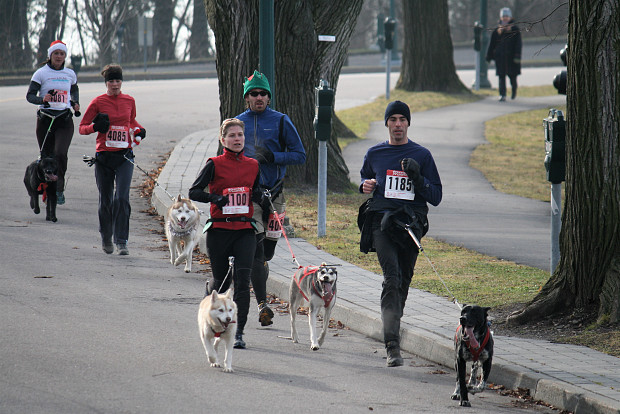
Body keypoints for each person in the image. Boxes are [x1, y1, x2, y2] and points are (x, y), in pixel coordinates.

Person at [358, 101, 442, 367]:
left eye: (401, 119)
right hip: (382, 222)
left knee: (404, 278)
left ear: (408, 123)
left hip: (411, 223)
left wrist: (418, 178)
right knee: (391, 276)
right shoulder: (375, 153)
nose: (397, 124)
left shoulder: (422, 154)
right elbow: (365, 180)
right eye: (392, 119)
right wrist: (365, 185)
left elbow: (436, 196)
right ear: (386, 124)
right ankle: (391, 344)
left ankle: (393, 320)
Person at [235, 70, 306, 327]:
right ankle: (263, 305)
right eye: (253, 93)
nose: (259, 97)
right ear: (247, 98)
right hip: (249, 196)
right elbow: (225, 157)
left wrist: (273, 157)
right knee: (255, 248)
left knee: (267, 252)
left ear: (269, 96)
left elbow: (300, 155)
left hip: (275, 194)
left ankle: (250, 271)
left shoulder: (280, 120)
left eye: (263, 93)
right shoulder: (237, 123)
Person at [189, 118, 263, 349]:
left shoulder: (253, 164)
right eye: (232, 135)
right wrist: (215, 198)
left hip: (244, 230)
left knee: (242, 283)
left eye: (240, 135)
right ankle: (210, 306)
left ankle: (237, 332)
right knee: (221, 282)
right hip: (220, 229)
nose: (237, 139)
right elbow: (194, 191)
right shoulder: (214, 163)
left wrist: (260, 195)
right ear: (223, 140)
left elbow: (256, 189)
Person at [79, 64, 146, 255]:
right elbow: (82, 127)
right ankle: (106, 236)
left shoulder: (129, 100)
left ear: (121, 81)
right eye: (111, 81)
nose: (115, 85)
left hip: (124, 156)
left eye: (117, 81)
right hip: (104, 157)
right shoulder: (98, 102)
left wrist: (140, 129)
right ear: (106, 83)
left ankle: (122, 240)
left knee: (122, 198)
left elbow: (131, 122)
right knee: (106, 199)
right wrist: (95, 127)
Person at [26, 40, 80, 205]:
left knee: (60, 154)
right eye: (56, 53)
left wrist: (75, 102)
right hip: (45, 120)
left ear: (65, 56)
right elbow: (30, 96)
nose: (59, 57)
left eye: (62, 54)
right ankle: (44, 187)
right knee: (46, 157)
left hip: (64, 120)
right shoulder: (41, 73)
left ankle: (58, 189)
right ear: (50, 55)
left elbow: (74, 90)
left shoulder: (70, 73)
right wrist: (43, 99)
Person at [486, 7, 522, 101]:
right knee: (501, 77)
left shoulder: (515, 30)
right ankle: (502, 94)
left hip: (511, 58)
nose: (505, 18)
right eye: (503, 16)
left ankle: (514, 91)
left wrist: (517, 56)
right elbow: (492, 44)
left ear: (510, 17)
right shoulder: (497, 31)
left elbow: (518, 44)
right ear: (501, 18)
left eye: (507, 16)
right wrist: (489, 57)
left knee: (512, 77)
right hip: (500, 58)